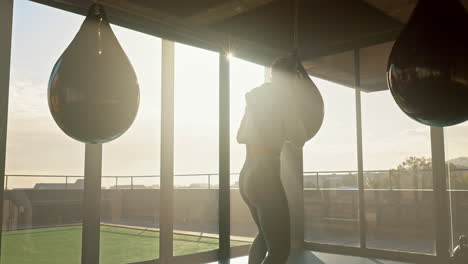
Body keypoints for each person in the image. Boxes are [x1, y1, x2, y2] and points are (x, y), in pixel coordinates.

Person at [237, 55, 323, 264]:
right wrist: (281, 130)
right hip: (267, 174)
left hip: (247, 173)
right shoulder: (285, 99)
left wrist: (271, 128)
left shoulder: (254, 98)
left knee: (264, 238)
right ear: (292, 77)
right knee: (280, 250)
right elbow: (299, 138)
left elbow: (240, 136)